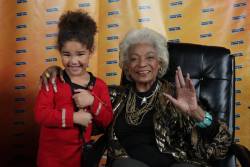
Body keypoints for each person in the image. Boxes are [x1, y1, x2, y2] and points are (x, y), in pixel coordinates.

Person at [40, 28, 233, 167]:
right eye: (134, 58)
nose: (142, 64)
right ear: (126, 66)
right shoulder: (112, 95)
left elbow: (223, 145)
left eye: (149, 57)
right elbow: (77, 116)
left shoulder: (178, 95)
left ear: (160, 63)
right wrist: (59, 72)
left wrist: (196, 113)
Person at [34, 10, 113, 167]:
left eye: (80, 54)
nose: (73, 61)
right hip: (50, 158)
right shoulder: (53, 80)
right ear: (59, 52)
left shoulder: (99, 86)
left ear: (91, 52)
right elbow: (40, 114)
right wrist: (73, 118)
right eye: (67, 54)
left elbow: (107, 121)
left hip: (80, 158)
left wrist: (92, 102)